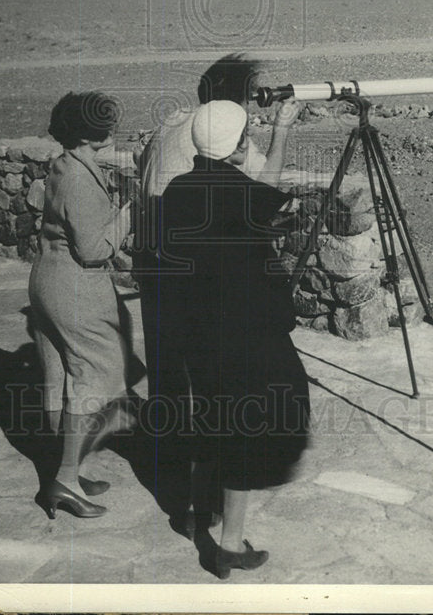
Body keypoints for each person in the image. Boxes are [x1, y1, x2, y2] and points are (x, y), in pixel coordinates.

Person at [157, 98, 310, 579]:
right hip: (246, 333)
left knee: (211, 414)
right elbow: (267, 193)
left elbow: (247, 200)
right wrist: (282, 131)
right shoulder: (238, 194)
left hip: (196, 330)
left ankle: (200, 511)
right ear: (237, 144)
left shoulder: (179, 190)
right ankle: (229, 544)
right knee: (251, 426)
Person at [133, 54, 268, 521]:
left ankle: (170, 475)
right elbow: (262, 191)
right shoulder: (224, 140)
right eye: (251, 100)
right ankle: (201, 501)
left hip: (154, 262)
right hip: (195, 278)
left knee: (170, 379)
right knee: (212, 392)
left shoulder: (170, 125)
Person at [28, 91, 132, 519]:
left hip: (47, 281)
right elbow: (93, 250)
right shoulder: (78, 178)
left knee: (62, 380)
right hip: (76, 287)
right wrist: (130, 213)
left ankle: (63, 470)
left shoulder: (63, 165)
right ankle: (66, 480)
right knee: (93, 383)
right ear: (94, 135)